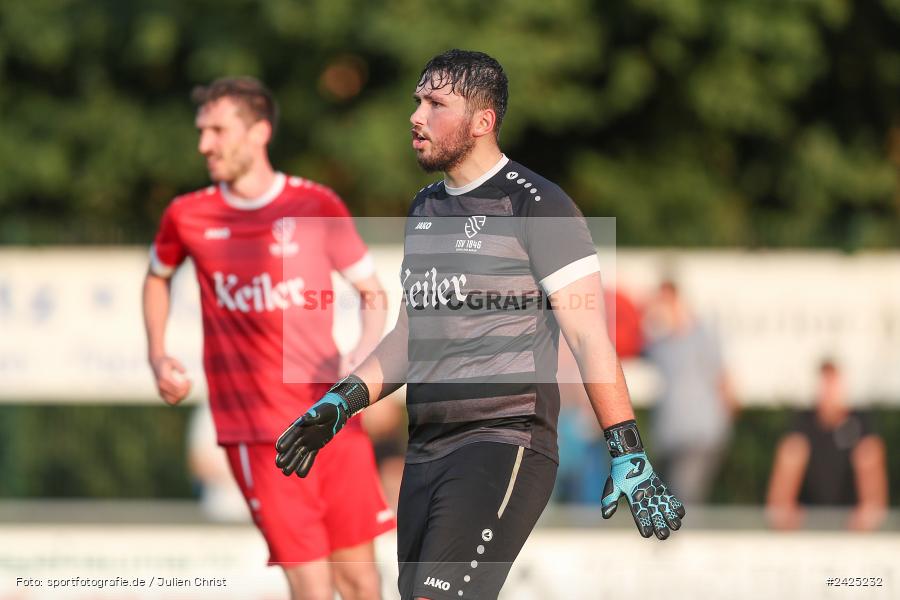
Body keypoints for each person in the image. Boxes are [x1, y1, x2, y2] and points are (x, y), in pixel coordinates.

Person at [275, 50, 685, 600]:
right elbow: (410, 338)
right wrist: (340, 401)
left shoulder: (539, 205)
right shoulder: (425, 208)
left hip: (503, 443)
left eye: (435, 103)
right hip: (427, 451)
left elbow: (590, 338)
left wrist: (627, 448)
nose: (416, 116)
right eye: (417, 100)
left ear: (482, 121)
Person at [142, 77, 395, 600]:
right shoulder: (187, 215)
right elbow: (157, 275)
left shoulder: (316, 204)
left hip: (331, 417)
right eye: (201, 131)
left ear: (259, 132)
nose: (204, 144)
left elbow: (374, 293)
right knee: (311, 584)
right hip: (258, 433)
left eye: (217, 130)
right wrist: (158, 353)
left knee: (362, 582)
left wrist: (364, 350)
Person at [643, 279, 739, 505]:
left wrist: (724, 422)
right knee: (667, 501)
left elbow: (723, 380)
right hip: (669, 438)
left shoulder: (702, 336)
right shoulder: (660, 343)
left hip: (699, 435)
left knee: (684, 501)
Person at [766, 360, 888, 531]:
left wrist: (868, 513)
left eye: (833, 384)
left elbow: (873, 495)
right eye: (825, 384)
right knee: (793, 450)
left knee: (868, 453)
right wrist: (784, 511)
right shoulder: (803, 424)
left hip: (851, 521)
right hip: (807, 521)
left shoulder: (860, 424)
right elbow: (780, 498)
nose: (829, 392)